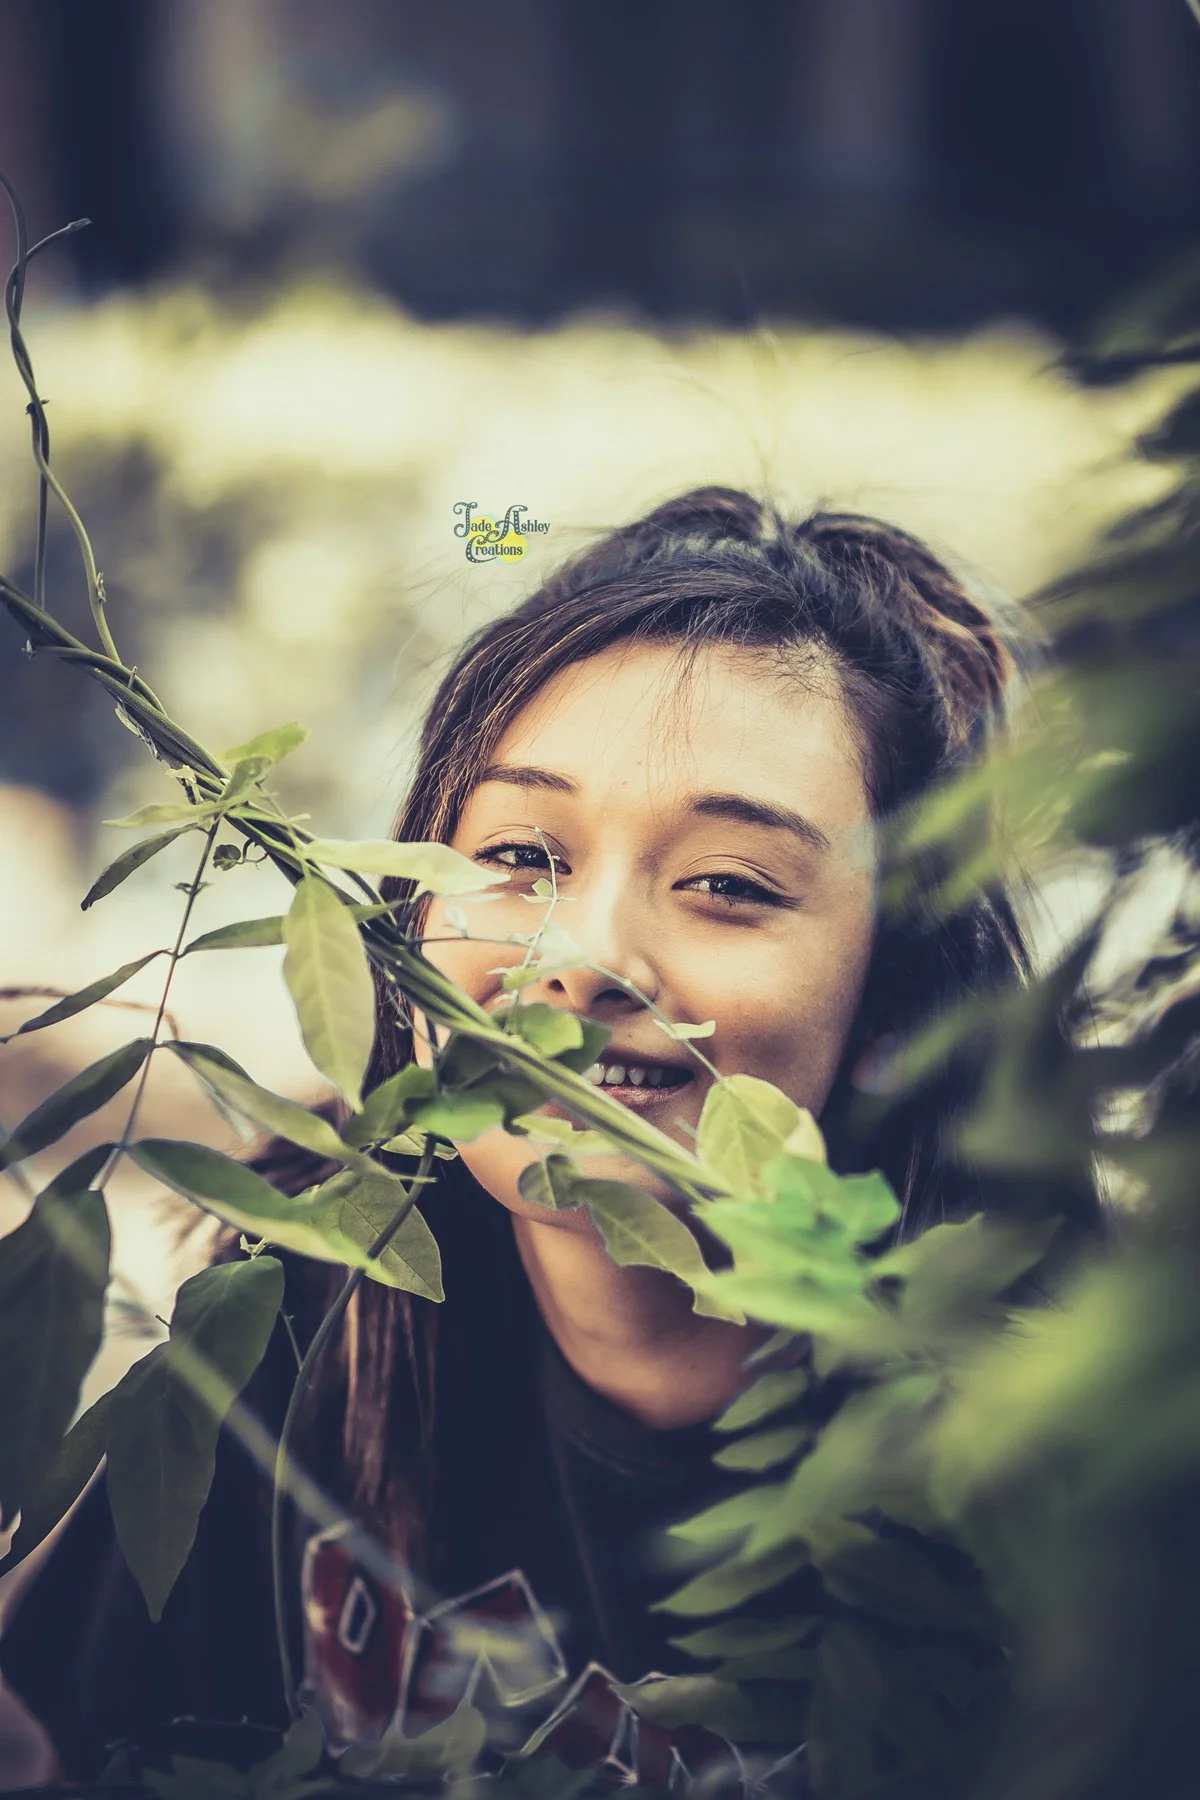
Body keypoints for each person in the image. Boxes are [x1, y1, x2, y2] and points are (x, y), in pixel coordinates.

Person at [0, 486, 1093, 1789]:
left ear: (892, 1007)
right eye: (522, 855)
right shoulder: (296, 1320)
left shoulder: (1056, 1486)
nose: (580, 959)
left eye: (728, 885)